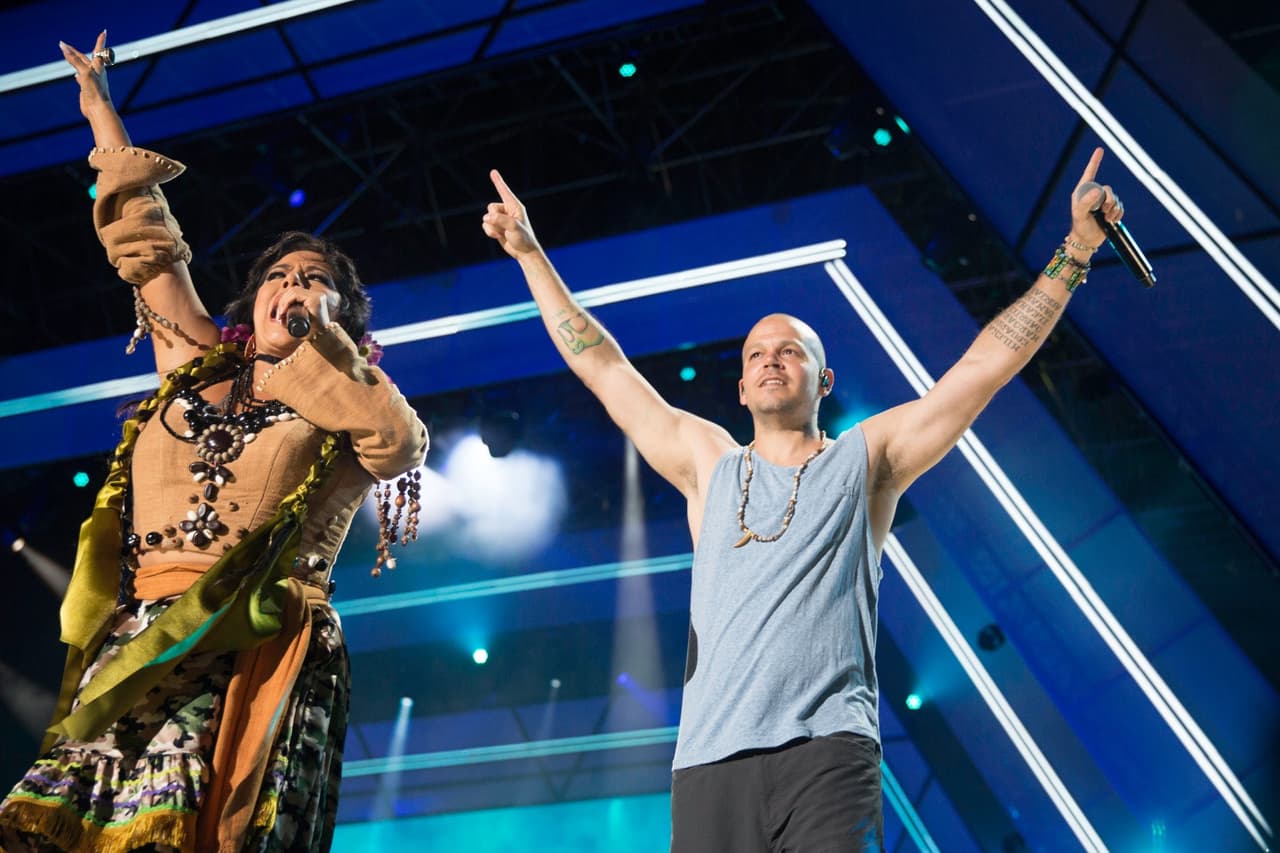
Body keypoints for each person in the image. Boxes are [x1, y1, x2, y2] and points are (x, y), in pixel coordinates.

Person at [481, 148, 1122, 850]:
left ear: (823, 380)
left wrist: (1075, 252)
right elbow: (601, 364)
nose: (771, 359)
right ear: (741, 387)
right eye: (757, 353)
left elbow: (979, 371)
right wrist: (530, 255)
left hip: (827, 753)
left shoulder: (866, 458)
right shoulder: (707, 461)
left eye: (791, 350)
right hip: (708, 762)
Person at [0, 32, 428, 852]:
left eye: (314, 281)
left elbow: (398, 445)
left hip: (253, 641)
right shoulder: (195, 365)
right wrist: (100, 111)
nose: (293, 286)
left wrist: (327, 352)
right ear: (253, 296)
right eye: (280, 275)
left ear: (342, 315)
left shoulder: (350, 405)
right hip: (140, 638)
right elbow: (147, 242)